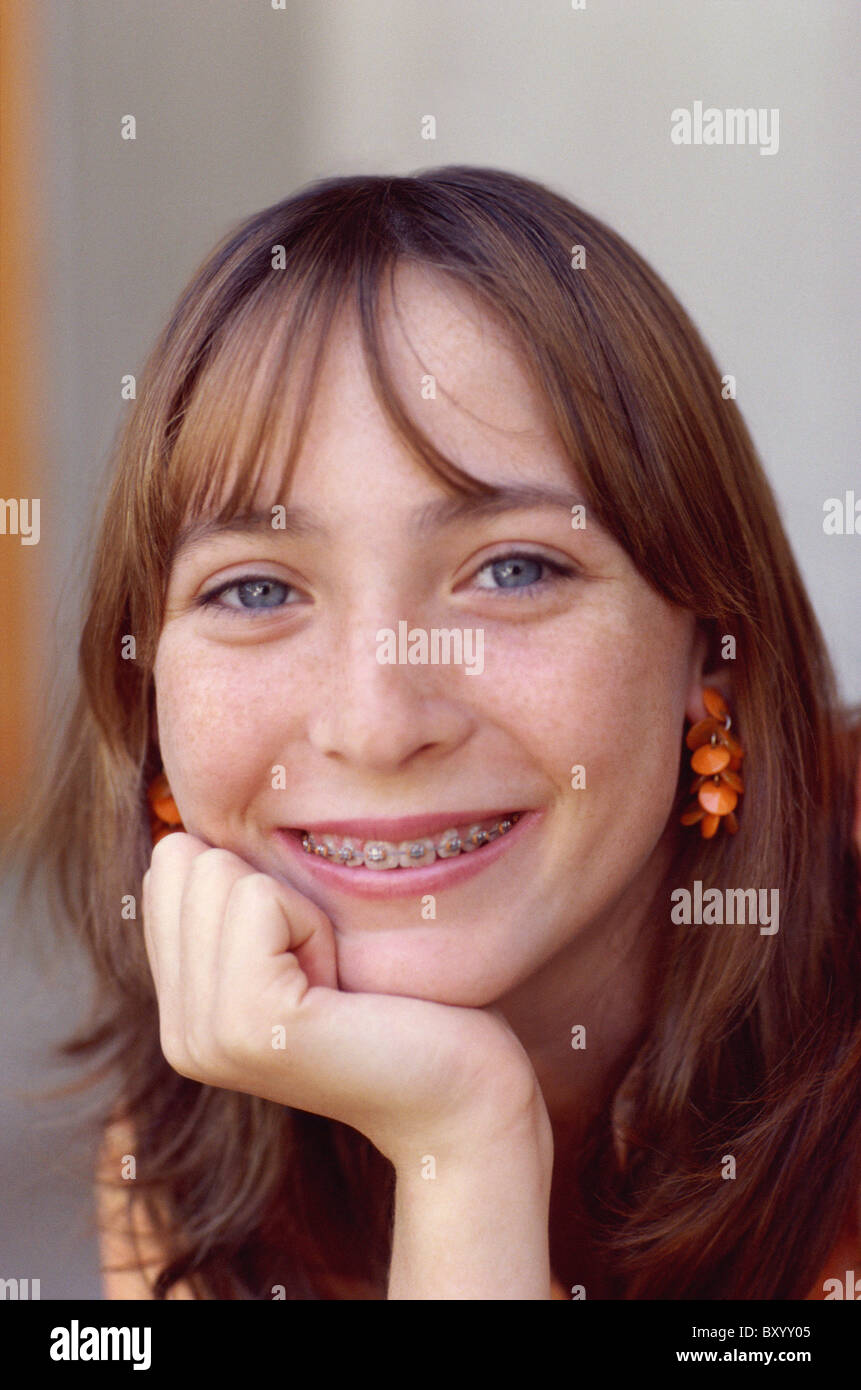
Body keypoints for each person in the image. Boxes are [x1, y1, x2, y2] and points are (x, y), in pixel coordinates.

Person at [14, 166, 861, 1299]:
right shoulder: (201, 1122)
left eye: (512, 570)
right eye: (257, 590)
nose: (377, 721)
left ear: (710, 654)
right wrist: (463, 1140)